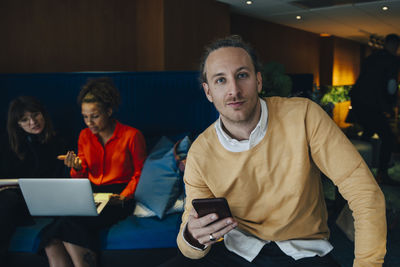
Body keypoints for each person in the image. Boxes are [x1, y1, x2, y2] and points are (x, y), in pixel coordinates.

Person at [162, 36, 386, 267]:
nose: (234, 90)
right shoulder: (201, 151)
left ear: (258, 81)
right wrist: (193, 236)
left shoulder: (304, 116)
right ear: (208, 92)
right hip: (236, 247)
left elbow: (364, 192)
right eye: (220, 80)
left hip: (303, 250)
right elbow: (189, 245)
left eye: (242, 75)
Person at [41, 78, 147, 267]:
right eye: (85, 116)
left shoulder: (132, 135)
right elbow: (81, 179)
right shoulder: (84, 136)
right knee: (53, 235)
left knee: (63, 225)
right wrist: (77, 167)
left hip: (118, 196)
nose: (89, 122)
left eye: (95, 116)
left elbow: (140, 173)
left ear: (109, 111)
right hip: (91, 193)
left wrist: (124, 196)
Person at [0, 96, 67, 264]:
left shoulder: (57, 142)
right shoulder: (8, 145)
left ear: (43, 114)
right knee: (8, 198)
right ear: (18, 124)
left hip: (43, 201)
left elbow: (60, 179)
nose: (33, 122)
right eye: (24, 120)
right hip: (13, 199)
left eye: (35, 115)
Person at [350, 33, 400, 184]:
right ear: (394, 45)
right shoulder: (392, 60)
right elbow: (390, 86)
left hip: (358, 103)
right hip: (371, 105)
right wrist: (392, 105)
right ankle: (382, 174)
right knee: (388, 137)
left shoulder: (371, 57)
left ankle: (357, 169)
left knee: (368, 131)